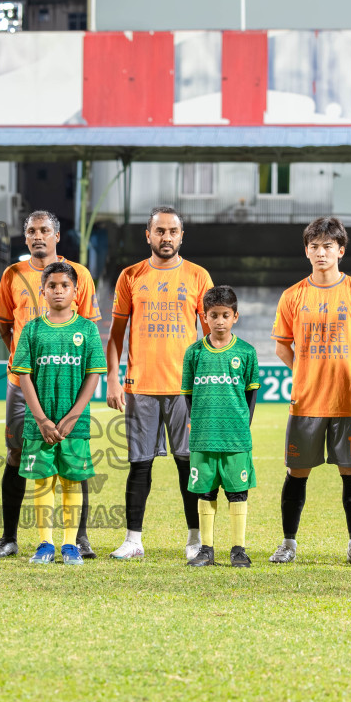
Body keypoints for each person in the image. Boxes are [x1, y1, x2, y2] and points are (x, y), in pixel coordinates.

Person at [0, 210, 101, 559]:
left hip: (66, 382)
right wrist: (23, 361)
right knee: (16, 454)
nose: (38, 236)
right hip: (21, 382)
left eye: (45, 230)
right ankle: (10, 538)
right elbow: (6, 325)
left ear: (56, 235)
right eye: (32, 231)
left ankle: (78, 539)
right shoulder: (12, 274)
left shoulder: (78, 274)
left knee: (72, 456)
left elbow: (89, 325)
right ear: (25, 238)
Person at [105, 206, 214, 560]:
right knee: (140, 465)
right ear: (148, 235)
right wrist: (113, 379)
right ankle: (133, 540)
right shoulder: (130, 276)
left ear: (181, 236)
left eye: (172, 231)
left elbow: (214, 334)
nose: (166, 237)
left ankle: (195, 539)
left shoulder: (198, 276)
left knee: (188, 464)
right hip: (141, 387)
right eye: (159, 231)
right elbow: (116, 335)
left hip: (186, 390)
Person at [270, 217, 351, 566]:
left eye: (327, 247)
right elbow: (281, 347)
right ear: (306, 251)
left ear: (340, 251)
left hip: (348, 401)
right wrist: (306, 371)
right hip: (305, 401)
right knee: (296, 472)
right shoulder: (293, 295)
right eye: (314, 247)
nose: (321, 253)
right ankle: (288, 543)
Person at [11, 261, 106, 565]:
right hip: (39, 424)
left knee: (71, 480)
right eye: (52, 285)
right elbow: (23, 375)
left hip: (73, 424)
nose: (58, 290)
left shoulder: (87, 329)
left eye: (65, 285)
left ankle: (70, 545)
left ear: (76, 291)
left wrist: (74, 415)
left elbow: (93, 374)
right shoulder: (33, 329)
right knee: (42, 480)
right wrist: (41, 418)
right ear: (43, 290)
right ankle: (45, 544)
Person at [179, 286, 260, 568]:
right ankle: (206, 549)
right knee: (205, 491)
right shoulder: (193, 354)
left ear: (235, 316)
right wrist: (198, 423)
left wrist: (242, 427)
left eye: (226, 315)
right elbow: (188, 394)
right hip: (203, 437)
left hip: (235, 438)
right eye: (214, 315)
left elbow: (251, 395)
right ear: (205, 317)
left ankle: (238, 550)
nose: (220, 321)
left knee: (237, 492)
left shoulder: (246, 352)